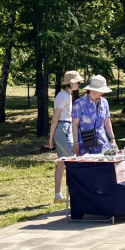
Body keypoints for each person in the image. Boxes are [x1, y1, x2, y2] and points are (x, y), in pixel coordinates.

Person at [46, 70, 83, 201]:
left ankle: (58, 195)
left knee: (62, 163)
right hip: (63, 128)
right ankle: (77, 193)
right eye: (77, 82)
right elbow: (55, 118)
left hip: (64, 128)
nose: (79, 84)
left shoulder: (66, 95)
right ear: (70, 83)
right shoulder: (64, 96)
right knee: (74, 160)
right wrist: (51, 139)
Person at [72, 75, 117, 155]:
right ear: (92, 90)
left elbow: (107, 122)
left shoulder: (104, 102)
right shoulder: (79, 103)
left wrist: (112, 139)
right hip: (85, 143)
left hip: (102, 143)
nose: (102, 93)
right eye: (100, 90)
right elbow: (75, 124)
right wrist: (75, 143)